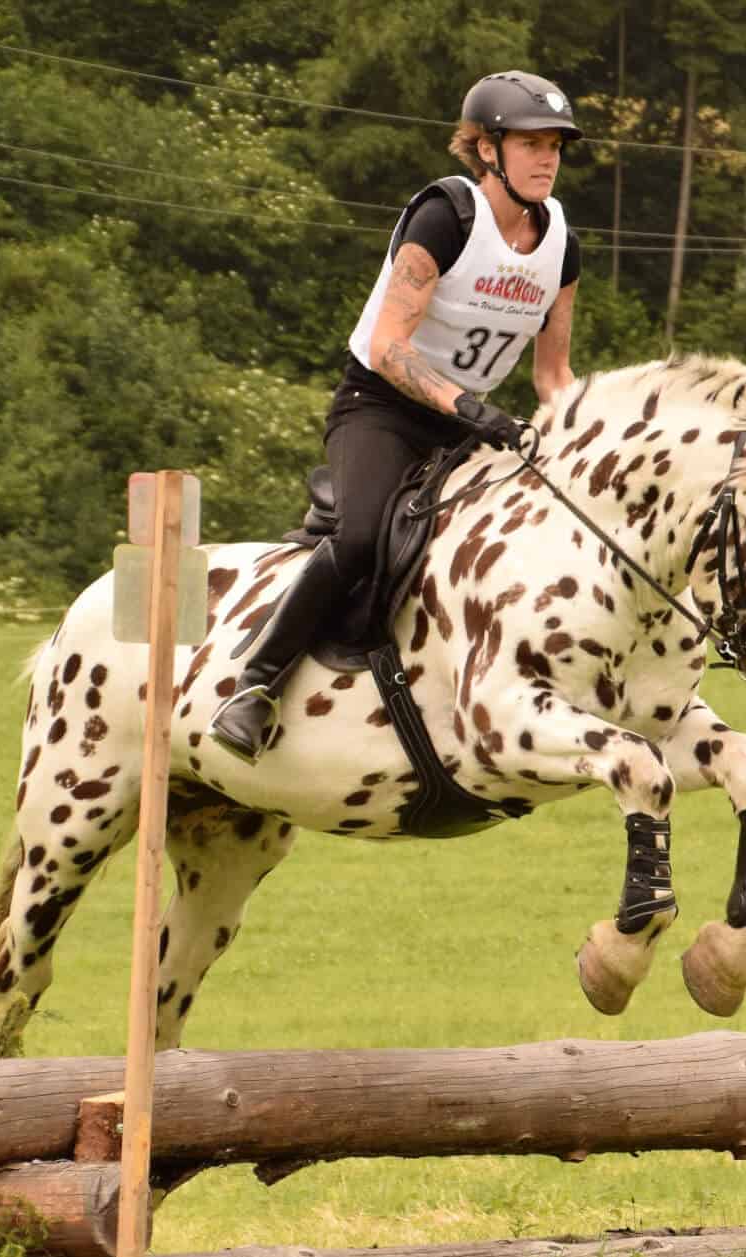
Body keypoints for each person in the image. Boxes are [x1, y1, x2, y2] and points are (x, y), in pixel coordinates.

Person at [209, 70, 583, 763]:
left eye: (556, 144)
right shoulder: (446, 216)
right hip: (382, 407)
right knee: (357, 540)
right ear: (488, 149)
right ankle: (254, 683)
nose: (548, 157)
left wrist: (581, 440)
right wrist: (470, 406)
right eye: (531, 142)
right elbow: (387, 347)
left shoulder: (560, 242)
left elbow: (552, 374)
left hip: (471, 429)